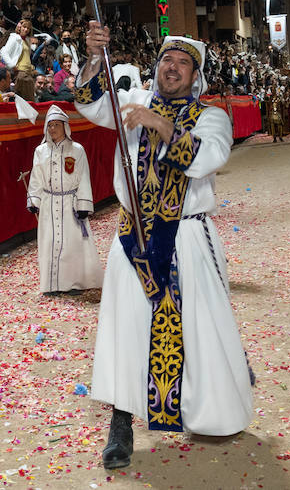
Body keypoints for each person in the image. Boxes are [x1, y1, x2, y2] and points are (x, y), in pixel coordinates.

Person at [74, 25, 252, 467]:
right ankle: (120, 424)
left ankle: (209, 408)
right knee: (126, 327)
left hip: (186, 237)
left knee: (197, 327)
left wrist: (161, 125)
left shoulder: (212, 116)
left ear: (196, 76)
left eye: (182, 63)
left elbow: (209, 157)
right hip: (132, 237)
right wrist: (95, 57)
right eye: (166, 60)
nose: (171, 68)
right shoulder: (133, 104)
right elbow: (90, 104)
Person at [26, 104, 100, 294]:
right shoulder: (40, 151)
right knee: (49, 243)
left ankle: (73, 283)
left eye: (56, 125)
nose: (52, 129)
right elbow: (36, 177)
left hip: (70, 204)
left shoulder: (77, 150)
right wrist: (34, 200)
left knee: (72, 245)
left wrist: (83, 203)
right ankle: (52, 285)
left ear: (65, 127)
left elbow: (83, 176)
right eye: (50, 125)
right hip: (49, 203)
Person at [1, 17, 38, 100]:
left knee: (28, 99)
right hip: (20, 72)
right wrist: (12, 65)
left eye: (28, 28)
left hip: (28, 72)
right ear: (19, 27)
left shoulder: (27, 40)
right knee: (27, 100)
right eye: (24, 27)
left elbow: (26, 57)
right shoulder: (14, 38)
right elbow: (4, 52)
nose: (26, 30)